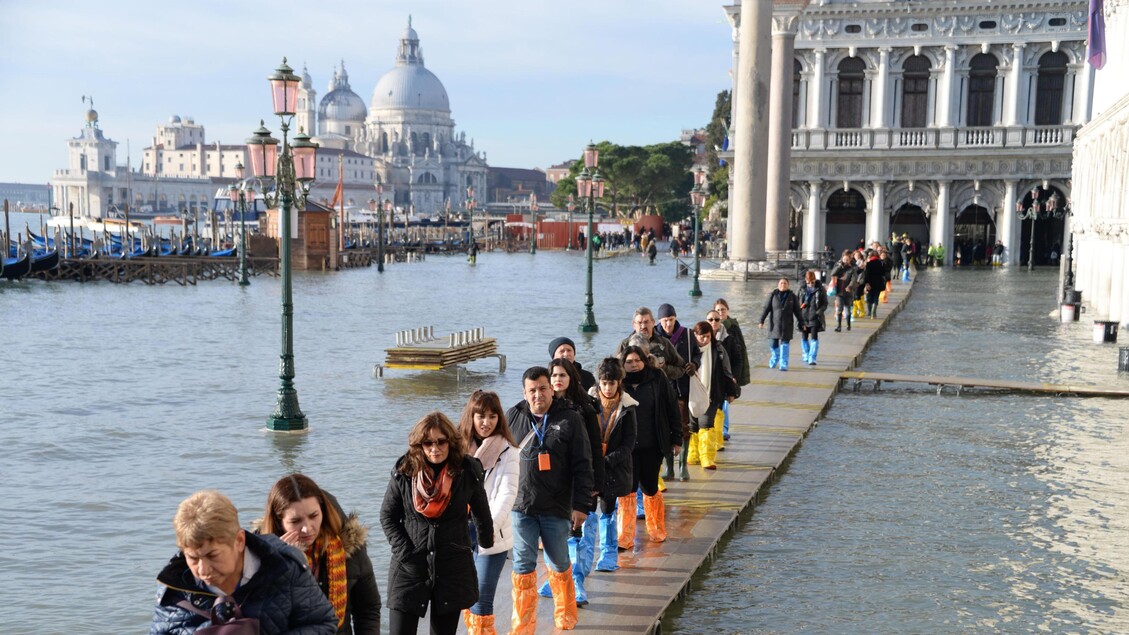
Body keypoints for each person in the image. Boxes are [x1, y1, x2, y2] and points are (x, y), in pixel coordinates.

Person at [149, 490, 337, 635]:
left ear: (239, 541)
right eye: (193, 558)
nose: (203, 569)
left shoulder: (285, 568)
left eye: (213, 555)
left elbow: (324, 625)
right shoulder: (172, 590)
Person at [380, 412, 493, 635]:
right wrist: (405, 553)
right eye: (428, 442)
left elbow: (481, 509)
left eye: (441, 441)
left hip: (451, 566)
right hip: (409, 566)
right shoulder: (404, 471)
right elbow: (388, 516)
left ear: (450, 441)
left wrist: (486, 542)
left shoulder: (467, 470)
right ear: (419, 445)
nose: (435, 448)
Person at [506, 366, 594, 633]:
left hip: (557, 506)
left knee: (558, 562)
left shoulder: (569, 418)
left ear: (551, 390)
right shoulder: (513, 416)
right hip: (522, 505)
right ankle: (522, 626)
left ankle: (565, 617)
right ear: (524, 392)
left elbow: (583, 463)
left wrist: (581, 506)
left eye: (543, 389)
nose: (538, 395)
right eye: (532, 390)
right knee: (523, 564)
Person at [258, 474, 382, 635]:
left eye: (313, 516)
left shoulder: (350, 547)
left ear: (323, 511)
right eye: (295, 521)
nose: (307, 528)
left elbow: (368, 608)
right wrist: (282, 564)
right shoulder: (259, 556)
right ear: (278, 521)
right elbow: (260, 618)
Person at [537, 357, 604, 606]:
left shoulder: (586, 408)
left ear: (571, 378)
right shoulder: (542, 406)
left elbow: (595, 448)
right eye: (553, 376)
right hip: (550, 480)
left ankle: (575, 580)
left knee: (575, 531)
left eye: (562, 375)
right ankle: (555, 577)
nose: (557, 380)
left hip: (577, 475)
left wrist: (596, 480)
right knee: (553, 531)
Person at [457, 391, 519, 635]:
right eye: (481, 416)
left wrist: (487, 529)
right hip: (460, 533)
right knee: (465, 597)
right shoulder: (457, 449)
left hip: (492, 534)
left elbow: (507, 495)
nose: (486, 422)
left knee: (482, 600)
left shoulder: (508, 452)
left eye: (493, 416)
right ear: (471, 416)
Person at [617, 345, 681, 548]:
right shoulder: (619, 383)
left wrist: (676, 438)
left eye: (637, 360)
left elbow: (672, 406)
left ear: (645, 360)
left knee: (650, 486)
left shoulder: (657, 378)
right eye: (629, 362)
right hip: (626, 447)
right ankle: (624, 537)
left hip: (652, 444)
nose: (634, 365)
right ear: (623, 364)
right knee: (627, 489)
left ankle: (656, 530)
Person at [587, 357, 637, 573]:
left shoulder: (628, 408)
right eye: (604, 383)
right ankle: (582, 559)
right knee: (586, 512)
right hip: (588, 467)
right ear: (599, 382)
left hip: (612, 468)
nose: (608, 388)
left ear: (619, 383)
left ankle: (608, 555)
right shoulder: (588, 405)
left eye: (612, 383)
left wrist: (605, 462)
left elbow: (628, 445)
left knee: (607, 510)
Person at [655, 302, 700, 480]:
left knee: (683, 426)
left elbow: (697, 354)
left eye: (671, 320)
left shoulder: (687, 334)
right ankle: (668, 466)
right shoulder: (653, 336)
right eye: (665, 320)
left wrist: (694, 364)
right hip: (660, 389)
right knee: (663, 428)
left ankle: (683, 465)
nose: (668, 324)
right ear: (659, 320)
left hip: (682, 387)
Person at [687, 321, 738, 469]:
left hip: (712, 393)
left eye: (708, 336)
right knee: (692, 426)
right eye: (701, 336)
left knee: (707, 424)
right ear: (694, 335)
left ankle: (707, 457)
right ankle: (693, 455)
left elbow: (726, 372)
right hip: (690, 394)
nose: (705, 340)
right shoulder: (688, 351)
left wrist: (731, 392)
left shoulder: (718, 350)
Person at [615, 306, 688, 383]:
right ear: (633, 324)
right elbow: (614, 370)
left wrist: (663, 368)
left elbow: (681, 368)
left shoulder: (664, 343)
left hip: (658, 389)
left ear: (653, 322)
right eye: (640, 323)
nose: (643, 326)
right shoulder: (625, 345)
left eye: (646, 322)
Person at [713, 298, 750, 442]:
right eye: (718, 310)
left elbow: (739, 352)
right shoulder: (709, 328)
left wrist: (735, 375)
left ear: (727, 311)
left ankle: (723, 430)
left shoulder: (732, 327)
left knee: (725, 402)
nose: (720, 313)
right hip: (715, 372)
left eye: (723, 309)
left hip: (728, 371)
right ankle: (717, 430)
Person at [758, 278, 803, 371]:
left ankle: (783, 364)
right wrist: (761, 321)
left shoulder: (792, 296)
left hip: (787, 325)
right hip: (774, 324)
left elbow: (798, 312)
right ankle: (775, 358)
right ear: (778, 285)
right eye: (781, 283)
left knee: (785, 345)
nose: (783, 285)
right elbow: (766, 309)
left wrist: (802, 323)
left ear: (788, 285)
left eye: (785, 283)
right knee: (773, 344)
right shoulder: (772, 295)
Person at [798, 270, 828, 366]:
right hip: (803, 316)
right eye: (808, 282)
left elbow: (825, 303)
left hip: (815, 316)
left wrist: (819, 312)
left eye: (812, 282)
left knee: (814, 337)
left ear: (815, 280)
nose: (810, 284)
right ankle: (806, 354)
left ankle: (812, 357)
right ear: (805, 280)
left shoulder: (821, 289)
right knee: (804, 336)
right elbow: (796, 301)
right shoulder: (801, 289)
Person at [828, 250, 857, 332]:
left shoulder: (852, 269)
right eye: (844, 259)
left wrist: (850, 286)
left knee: (848, 310)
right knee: (839, 309)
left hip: (848, 292)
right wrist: (839, 266)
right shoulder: (838, 266)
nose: (845, 261)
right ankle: (839, 326)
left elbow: (854, 279)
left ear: (850, 260)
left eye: (847, 260)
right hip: (839, 291)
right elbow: (832, 273)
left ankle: (848, 325)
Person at [863, 249, 887, 318]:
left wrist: (866, 283)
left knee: (869, 297)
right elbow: (883, 273)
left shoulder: (869, 263)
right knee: (876, 297)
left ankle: (869, 312)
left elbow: (866, 274)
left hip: (870, 283)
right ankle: (874, 313)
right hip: (878, 282)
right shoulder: (881, 263)